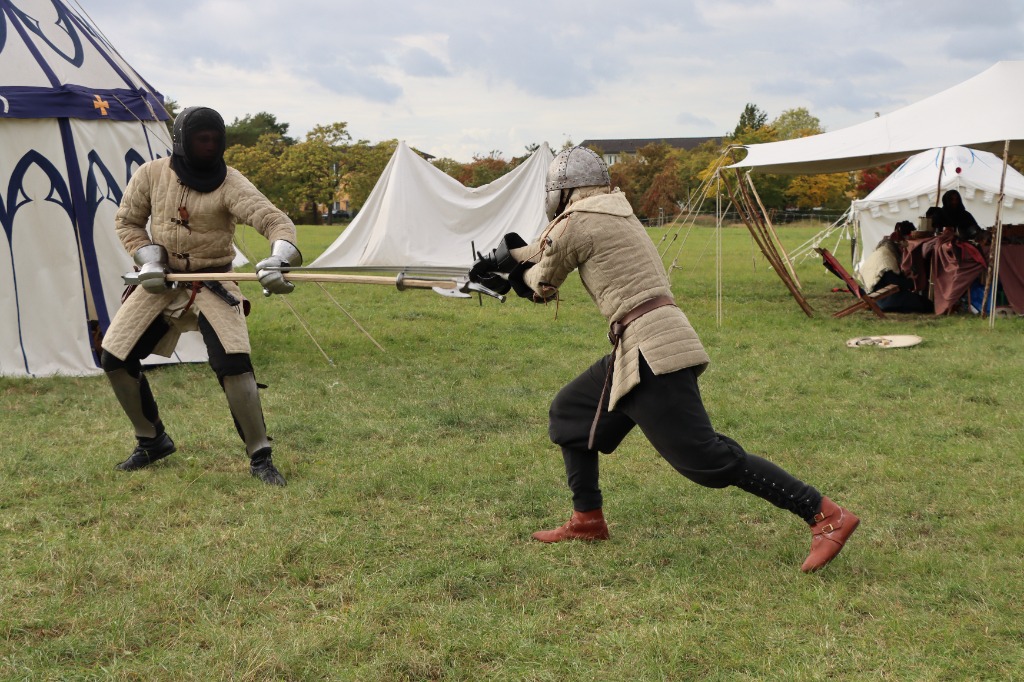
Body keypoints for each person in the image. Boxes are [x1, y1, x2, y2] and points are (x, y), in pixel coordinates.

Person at [470, 147, 859, 572]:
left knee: (705, 458)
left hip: (650, 351)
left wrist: (506, 275)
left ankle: (824, 514)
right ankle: (587, 520)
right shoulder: (613, 211)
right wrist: (506, 257)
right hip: (640, 344)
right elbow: (543, 250)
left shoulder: (577, 222)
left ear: (562, 191)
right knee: (571, 413)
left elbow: (542, 281)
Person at [100, 106, 301, 486]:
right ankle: (152, 440)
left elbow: (274, 220)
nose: (208, 146)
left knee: (234, 366)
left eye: (214, 139)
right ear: (181, 141)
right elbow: (128, 221)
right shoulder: (151, 174)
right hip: (162, 281)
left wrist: (279, 258)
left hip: (214, 282)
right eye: (200, 139)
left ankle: (260, 455)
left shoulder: (230, 183)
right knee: (115, 357)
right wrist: (149, 258)